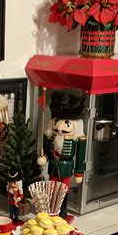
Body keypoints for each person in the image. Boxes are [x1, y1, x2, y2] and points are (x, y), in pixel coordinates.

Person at [37, 89, 87, 218]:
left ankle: (63, 210)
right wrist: (44, 157)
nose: (59, 127)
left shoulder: (77, 139)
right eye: (57, 121)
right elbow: (47, 150)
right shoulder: (51, 136)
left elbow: (80, 156)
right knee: (52, 188)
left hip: (66, 166)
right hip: (53, 166)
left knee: (64, 190)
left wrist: (78, 172)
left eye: (66, 123)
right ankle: (52, 209)